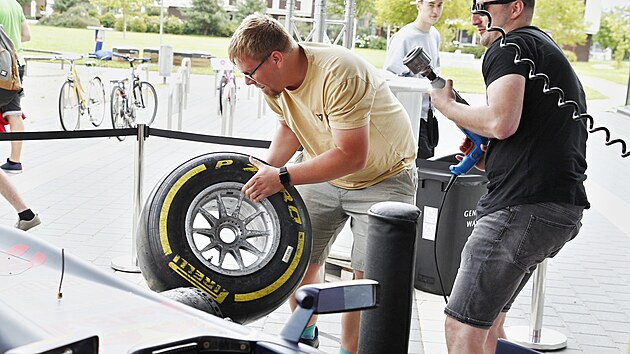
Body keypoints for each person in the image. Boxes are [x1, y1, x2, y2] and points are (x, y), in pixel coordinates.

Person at [228, 14, 417, 353]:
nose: (247, 82)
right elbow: (290, 127)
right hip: (323, 169)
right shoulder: (274, 82)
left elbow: (351, 156)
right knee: (297, 258)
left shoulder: (339, 72)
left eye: (249, 73)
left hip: (383, 176)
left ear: (276, 58)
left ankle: (350, 351)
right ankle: (304, 336)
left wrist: (282, 177)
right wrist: (267, 170)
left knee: (366, 282)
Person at [428, 1, 589, 353]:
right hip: (555, 208)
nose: (474, 18)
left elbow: (501, 121)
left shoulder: (509, 45)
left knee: (461, 326)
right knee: (488, 326)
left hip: (522, 208)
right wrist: (492, 157)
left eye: (482, 6)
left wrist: (445, 105)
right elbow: (529, 133)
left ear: (515, 7)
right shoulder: (541, 48)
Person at [383, 0, 443, 159]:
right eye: (431, 4)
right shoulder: (404, 37)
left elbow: (435, 73)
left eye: (439, 5)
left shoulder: (435, 35)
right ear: (419, 5)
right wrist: (421, 87)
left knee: (425, 168)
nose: (435, 10)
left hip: (427, 116)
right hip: (408, 118)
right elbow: (390, 78)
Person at [0, 0, 32, 174]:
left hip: (1, 65)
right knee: (14, 112)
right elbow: (26, 35)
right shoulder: (15, 4)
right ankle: (15, 161)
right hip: (17, 63)